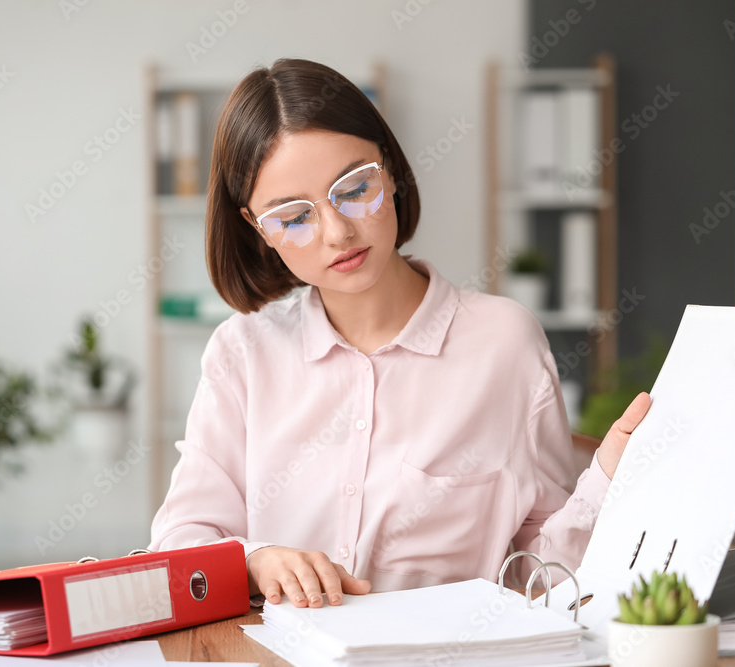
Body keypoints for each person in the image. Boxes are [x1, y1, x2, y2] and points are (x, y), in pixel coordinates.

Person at [148, 57, 651, 610]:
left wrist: (606, 479)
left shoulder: (502, 343)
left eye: (354, 187)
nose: (338, 232)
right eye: (293, 217)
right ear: (257, 228)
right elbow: (179, 545)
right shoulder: (242, 353)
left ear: (388, 170)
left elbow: (541, 574)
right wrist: (256, 558)